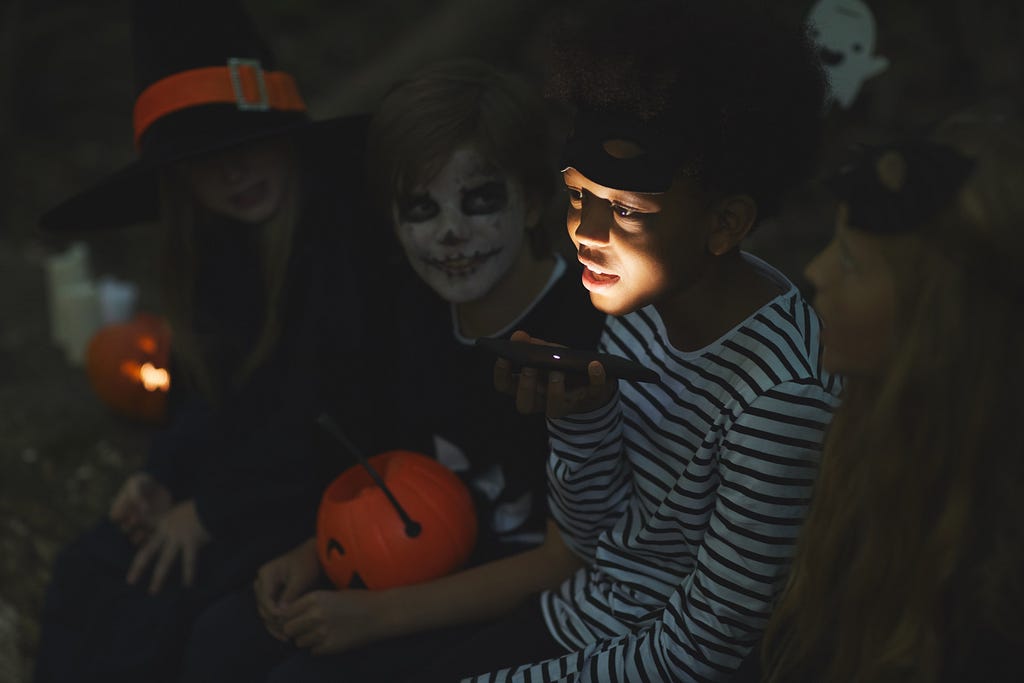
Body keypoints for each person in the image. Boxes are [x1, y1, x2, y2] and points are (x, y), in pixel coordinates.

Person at [192, 1, 839, 680]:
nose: (585, 229)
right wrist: (581, 420)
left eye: (623, 210)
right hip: (579, 614)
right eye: (580, 194)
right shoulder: (640, 297)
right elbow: (598, 538)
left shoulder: (780, 397)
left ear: (726, 221)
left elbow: (707, 643)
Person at [179, 58, 605, 682]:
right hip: (417, 561)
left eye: (480, 200)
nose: (452, 233)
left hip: (536, 610)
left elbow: (566, 559)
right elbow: (401, 469)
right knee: (223, 638)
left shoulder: (581, 338)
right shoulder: (411, 312)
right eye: (422, 209)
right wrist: (320, 553)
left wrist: (374, 616)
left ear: (534, 202)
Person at [32, 1, 393, 681]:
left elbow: (343, 406)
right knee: (88, 572)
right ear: (179, 178)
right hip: (236, 483)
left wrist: (212, 511)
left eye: (247, 144)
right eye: (207, 159)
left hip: (318, 497)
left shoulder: (345, 242)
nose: (234, 173)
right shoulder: (215, 252)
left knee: (168, 619)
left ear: (285, 135)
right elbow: (207, 396)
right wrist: (159, 476)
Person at [732, 112, 1024, 683]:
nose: (815, 271)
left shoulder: (998, 579)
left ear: (937, 319)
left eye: (851, 262)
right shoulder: (868, 439)